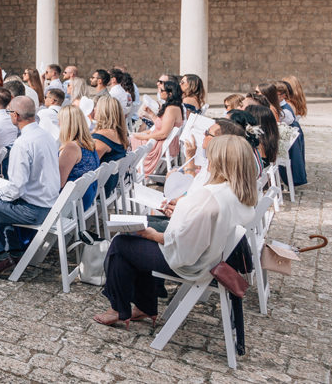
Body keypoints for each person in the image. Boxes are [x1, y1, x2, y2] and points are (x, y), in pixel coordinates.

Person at [93, 135, 257, 327]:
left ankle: (119, 309)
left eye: (211, 157)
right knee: (135, 243)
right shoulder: (238, 193)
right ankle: (143, 306)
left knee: (121, 245)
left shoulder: (210, 196)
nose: (208, 161)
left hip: (192, 263)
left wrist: (154, 235)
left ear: (221, 162)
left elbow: (185, 243)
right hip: (211, 258)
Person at [0, 96, 61, 278]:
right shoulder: (46, 135)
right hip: (50, 203)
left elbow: (16, 189)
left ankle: (1, 257)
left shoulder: (22, 144)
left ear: (15, 115)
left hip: (33, 209)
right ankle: (14, 251)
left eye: (9, 113)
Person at [132, 80, 184, 176]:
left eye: (162, 90)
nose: (159, 92)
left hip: (162, 144)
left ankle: (130, 171)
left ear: (170, 93)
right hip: (164, 142)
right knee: (131, 138)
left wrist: (143, 137)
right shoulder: (173, 107)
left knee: (130, 140)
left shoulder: (171, 109)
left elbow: (163, 133)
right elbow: (161, 125)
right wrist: (151, 114)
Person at [58, 105, 100, 211]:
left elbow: (59, 182)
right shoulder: (89, 143)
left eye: (60, 121)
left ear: (67, 124)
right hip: (85, 196)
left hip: (72, 202)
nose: (58, 124)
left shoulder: (72, 147)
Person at [92, 96, 129, 197]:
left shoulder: (101, 137)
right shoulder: (119, 133)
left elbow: (90, 164)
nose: (94, 109)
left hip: (101, 186)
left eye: (96, 107)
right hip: (111, 181)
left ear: (103, 112)